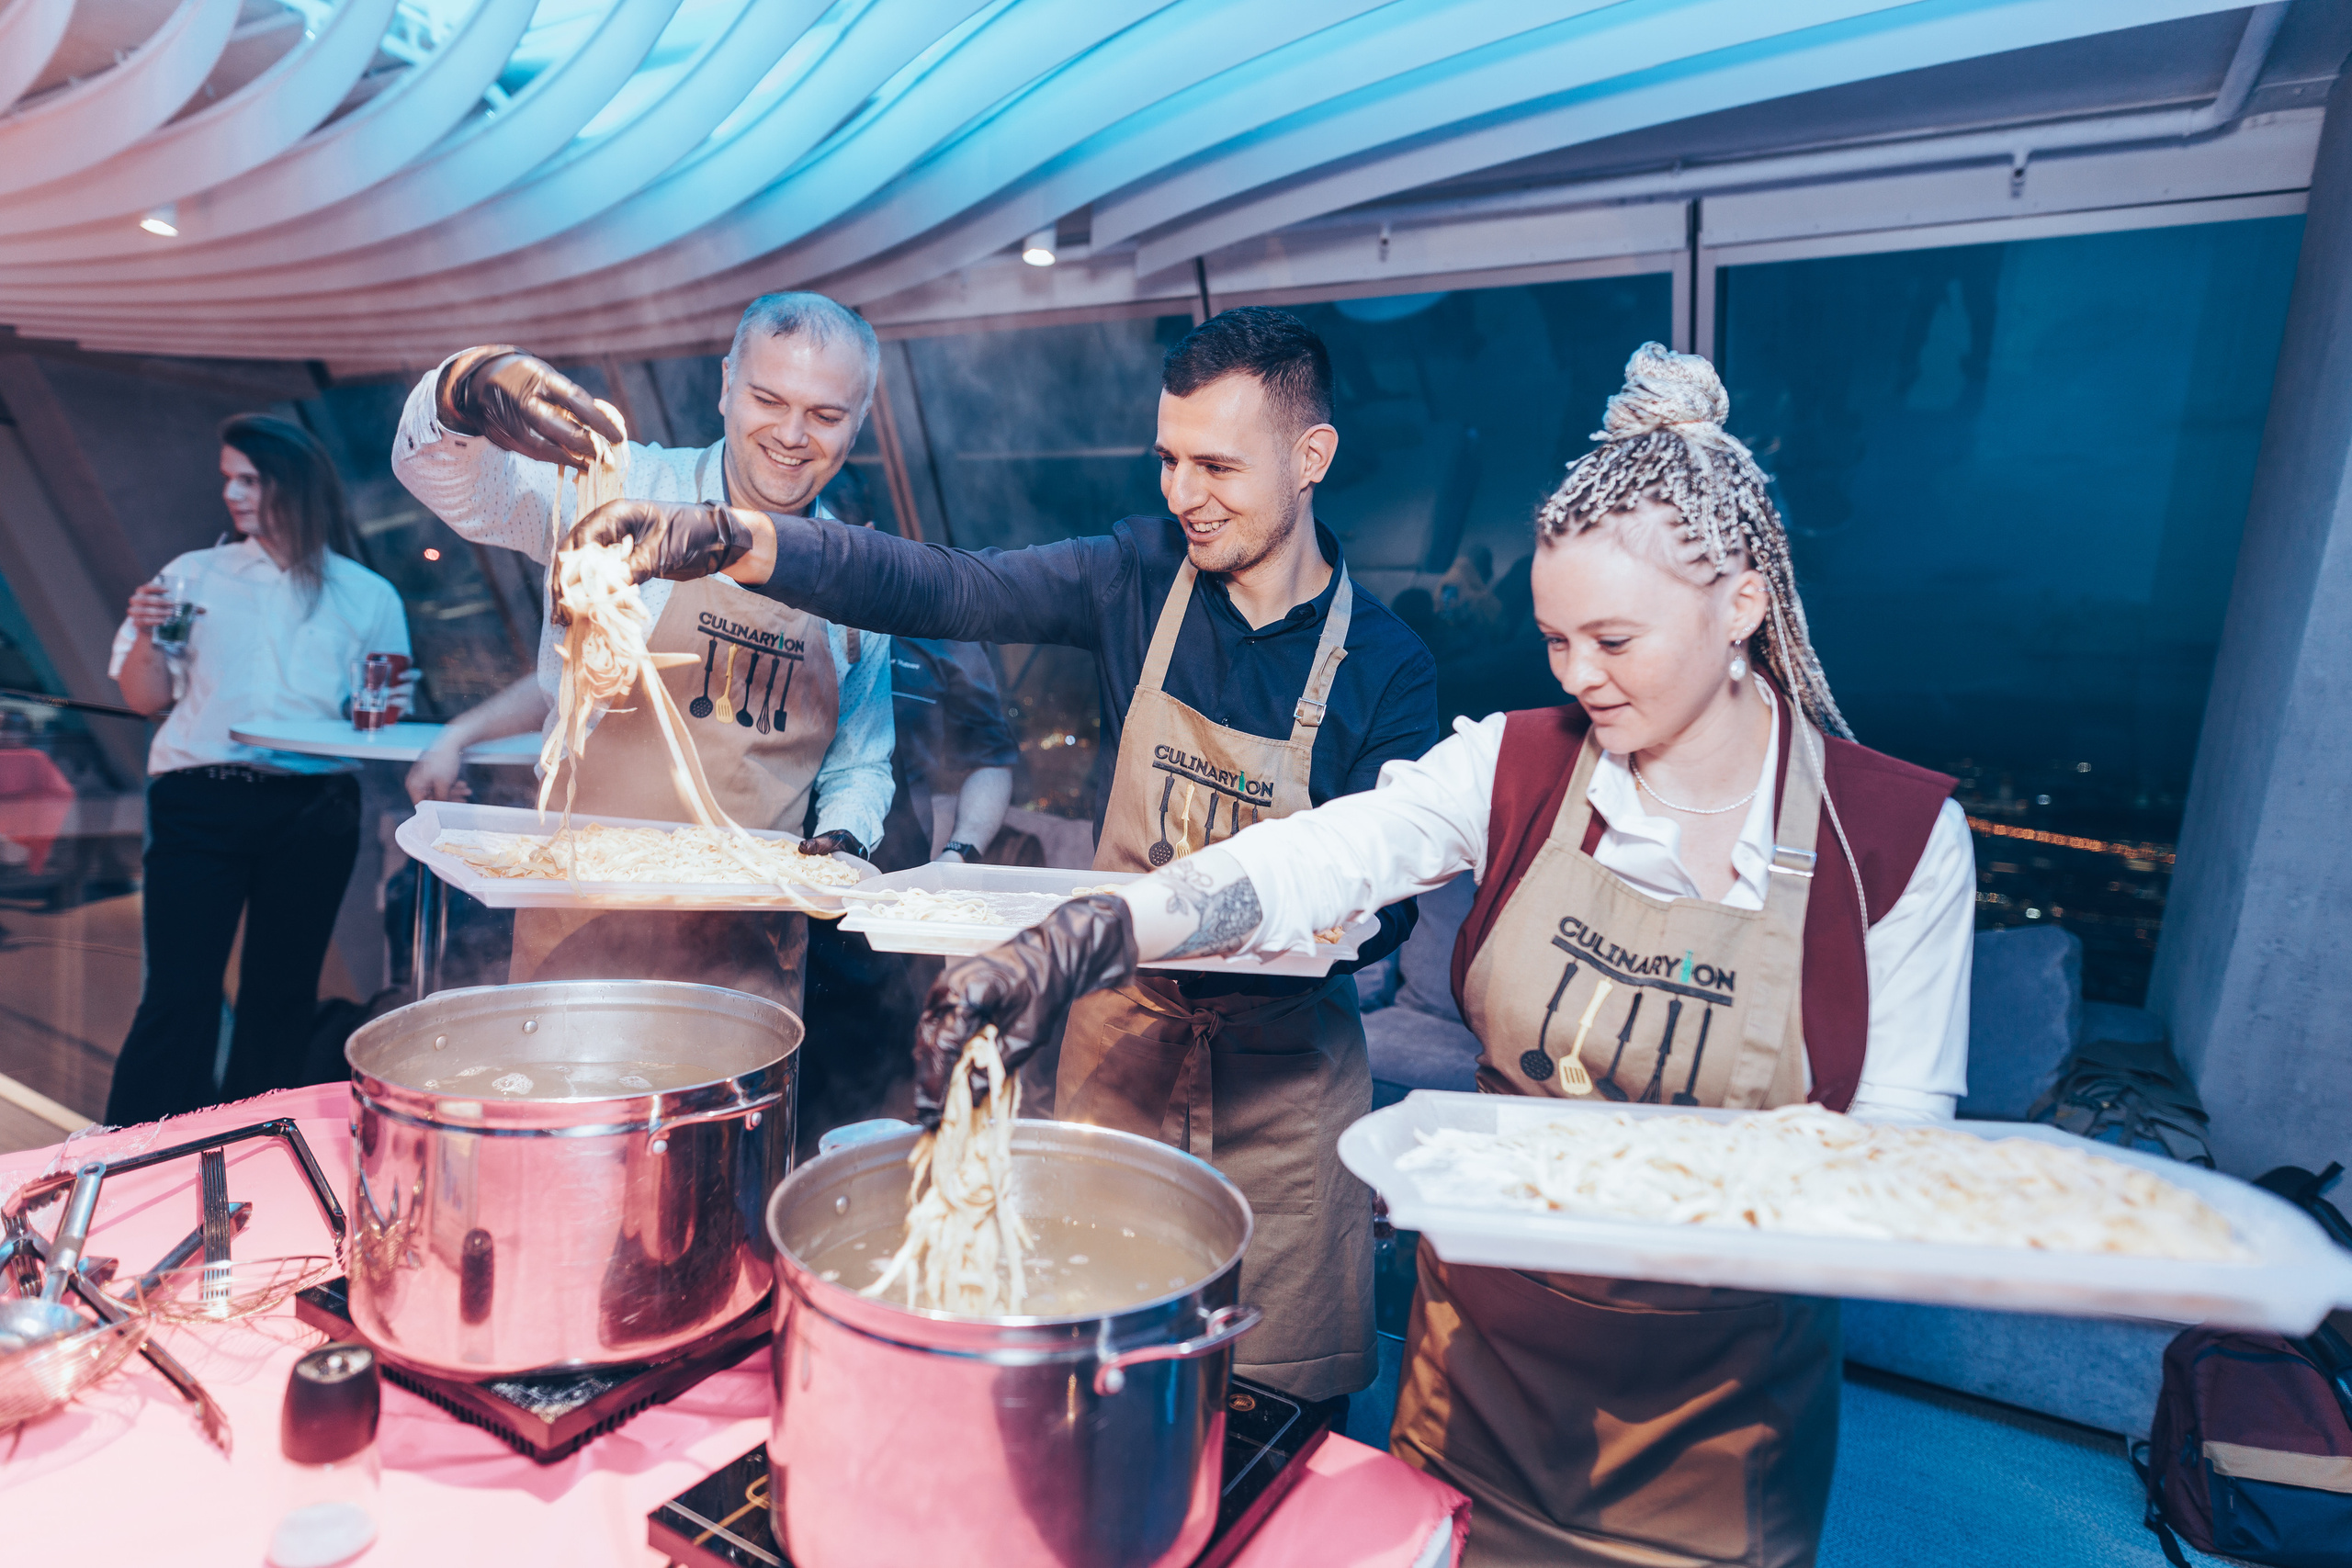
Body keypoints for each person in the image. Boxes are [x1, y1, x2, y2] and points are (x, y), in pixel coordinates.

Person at [905, 345, 1974, 1566]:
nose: (1578, 676)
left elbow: (1900, 1170)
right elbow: (1312, 857)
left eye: (1614, 637)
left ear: (1739, 601)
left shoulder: (1895, 840)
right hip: (1474, 1383)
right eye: (1557, 637)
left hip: (1718, 1434)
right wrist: (1086, 932)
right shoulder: (1516, 762)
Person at [560, 307, 1441, 1407]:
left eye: (1217, 464)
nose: (1184, 494)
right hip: (1120, 1041)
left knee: (1277, 1405)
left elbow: (1389, 904)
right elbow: (946, 583)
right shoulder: (1136, 574)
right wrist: (744, 541)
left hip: (1285, 1085)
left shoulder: (1389, 667)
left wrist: (1306, 916)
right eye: (1167, 459)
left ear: (1310, 458)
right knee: (1095, 1382)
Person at [389, 293, 896, 1015]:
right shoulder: (626, 487)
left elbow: (862, 761)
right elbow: (458, 488)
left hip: (747, 959)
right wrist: (461, 387)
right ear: (725, 385)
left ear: (862, 416)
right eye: (767, 398)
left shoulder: (858, 577)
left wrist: (845, 833)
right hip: (580, 930)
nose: (791, 434)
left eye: (825, 414)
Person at [107, 414, 411, 1123]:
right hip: (199, 795)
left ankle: (247, 1144)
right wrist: (149, 632)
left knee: (282, 992)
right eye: (227, 480)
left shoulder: (366, 596)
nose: (233, 494)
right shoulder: (190, 575)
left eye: (248, 478)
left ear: (293, 485)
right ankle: (130, 1149)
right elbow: (146, 696)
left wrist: (383, 705)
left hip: (313, 805)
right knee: (179, 991)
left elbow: (379, 710)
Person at [799, 637, 1020, 1145]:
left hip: (889, 905)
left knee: (876, 1084)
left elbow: (991, 759)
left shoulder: (947, 635)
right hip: (767, 891)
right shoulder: (812, 609)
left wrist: (957, 856)